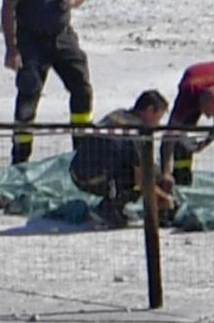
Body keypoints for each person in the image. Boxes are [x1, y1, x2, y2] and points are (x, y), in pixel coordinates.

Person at [1, 0, 91, 167]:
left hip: (63, 37)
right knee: (29, 95)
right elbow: (8, 8)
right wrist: (11, 48)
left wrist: (74, 0)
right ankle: (20, 159)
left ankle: (82, 152)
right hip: (32, 41)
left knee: (82, 88)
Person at [69, 89, 169, 225]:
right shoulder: (135, 130)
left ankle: (112, 202)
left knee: (152, 171)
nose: (158, 124)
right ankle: (110, 208)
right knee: (142, 177)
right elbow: (142, 179)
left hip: (77, 169)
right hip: (90, 176)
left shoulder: (119, 114)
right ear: (150, 110)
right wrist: (164, 199)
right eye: (158, 117)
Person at [162, 60, 214, 189]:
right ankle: (181, 176)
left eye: (213, 114)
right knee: (181, 136)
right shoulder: (188, 94)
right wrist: (165, 171)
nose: (209, 117)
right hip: (193, 81)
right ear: (199, 103)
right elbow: (169, 135)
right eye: (206, 113)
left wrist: (206, 143)